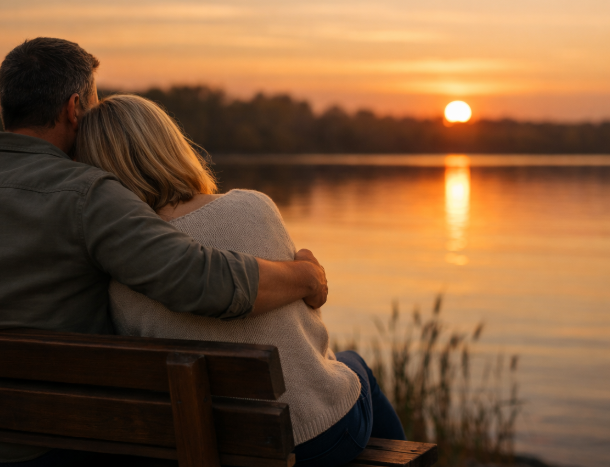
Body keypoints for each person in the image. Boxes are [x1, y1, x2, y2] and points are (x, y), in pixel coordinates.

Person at [0, 38, 328, 467]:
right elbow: (203, 283)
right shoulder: (87, 194)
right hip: (32, 442)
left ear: (7, 105)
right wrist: (304, 277)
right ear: (73, 107)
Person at [75, 94, 406, 467]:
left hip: (217, 452)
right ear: (170, 145)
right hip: (319, 440)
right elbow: (309, 313)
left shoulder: (118, 271)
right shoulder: (253, 207)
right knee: (353, 364)